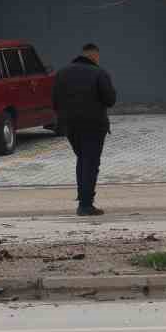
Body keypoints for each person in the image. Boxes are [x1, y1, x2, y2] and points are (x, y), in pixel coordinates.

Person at [52, 42, 117, 216]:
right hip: (94, 125)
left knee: (82, 160)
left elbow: (54, 101)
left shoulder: (61, 73)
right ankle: (85, 204)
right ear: (95, 56)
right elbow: (110, 100)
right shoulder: (99, 73)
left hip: (70, 126)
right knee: (90, 162)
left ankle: (83, 199)